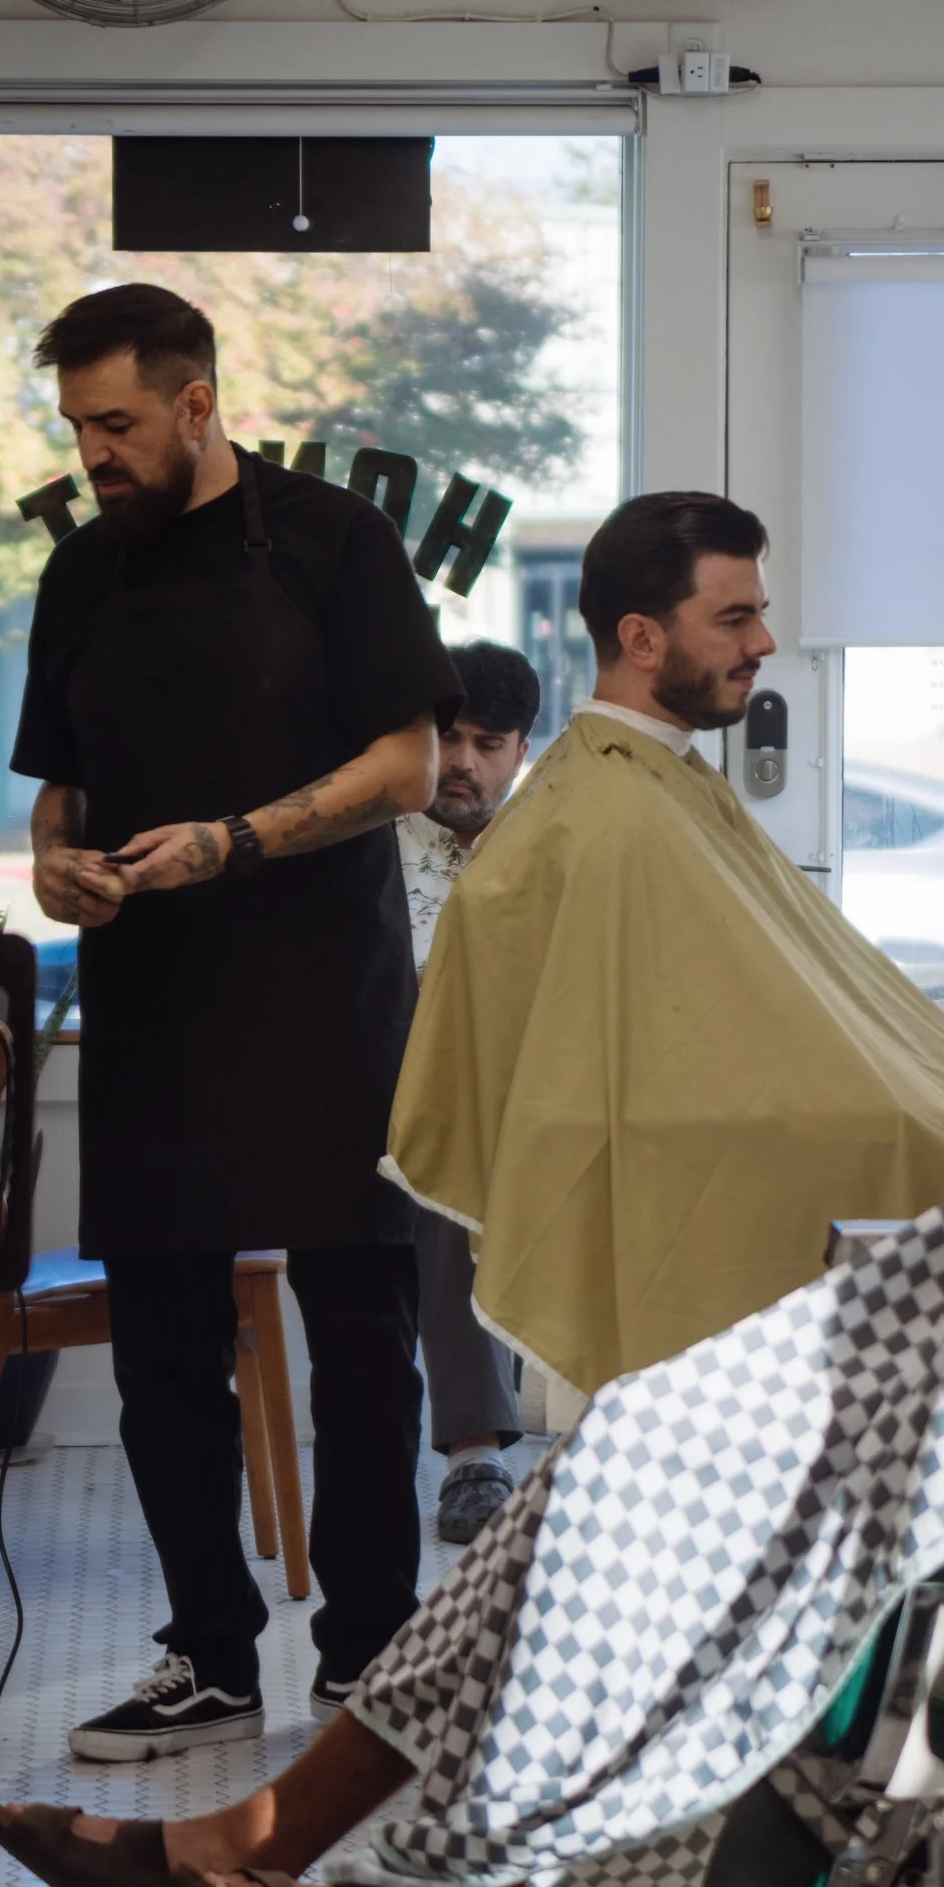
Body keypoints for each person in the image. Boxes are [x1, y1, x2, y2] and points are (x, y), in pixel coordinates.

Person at [0, 508, 944, 1887]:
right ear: (641, 635)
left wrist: (922, 1255)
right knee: (620, 1485)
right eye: (739, 612)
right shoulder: (614, 807)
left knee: (645, 1509)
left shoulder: (636, 800)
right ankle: (299, 1863)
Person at [10, 282, 464, 1760]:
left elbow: (405, 764)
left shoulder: (338, 543)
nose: (96, 453)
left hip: (325, 995)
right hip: (150, 997)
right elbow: (58, 780)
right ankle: (206, 1653)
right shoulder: (86, 572)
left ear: (199, 404)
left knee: (358, 1330)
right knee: (159, 1348)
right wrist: (54, 859)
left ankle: (368, 1658)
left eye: (118, 423)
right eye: (80, 428)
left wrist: (234, 841)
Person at [383, 490, 944, 1414]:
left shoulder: (657, 786)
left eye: (761, 614)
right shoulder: (595, 820)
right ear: (644, 639)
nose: (763, 645)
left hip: (821, 1132)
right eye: (734, 618)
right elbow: (606, 1090)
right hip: (722, 1175)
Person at [397, 640, 540, 1543]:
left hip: (522, 1103)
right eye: (447, 738)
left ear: (523, 752)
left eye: (489, 743)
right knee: (448, 1169)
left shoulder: (547, 853)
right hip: (377, 1102)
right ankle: (475, 1452)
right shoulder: (366, 845)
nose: (463, 763)